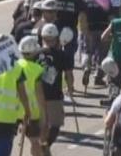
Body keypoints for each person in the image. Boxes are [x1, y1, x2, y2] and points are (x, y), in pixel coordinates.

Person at [36, 24, 74, 155]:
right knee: (56, 124)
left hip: (37, 95)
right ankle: (46, 144)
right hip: (54, 96)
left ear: (42, 38)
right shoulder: (62, 55)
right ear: (57, 38)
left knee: (42, 124)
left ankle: (40, 145)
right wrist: (70, 88)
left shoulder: (36, 54)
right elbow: (69, 74)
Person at [17, 37, 46, 156]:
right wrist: (44, 114)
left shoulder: (15, 66)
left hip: (14, 110)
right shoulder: (37, 69)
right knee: (35, 142)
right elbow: (39, 94)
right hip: (33, 111)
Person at [79, 0, 111, 87]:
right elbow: (115, 8)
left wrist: (83, 28)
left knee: (87, 51)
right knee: (103, 54)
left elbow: (81, 11)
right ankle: (98, 76)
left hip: (89, 26)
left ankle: (87, 68)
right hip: (104, 26)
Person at [55, 0, 85, 68]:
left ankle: (58, 62)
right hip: (71, 27)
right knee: (71, 49)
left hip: (59, 27)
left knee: (57, 47)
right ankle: (69, 65)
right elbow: (83, 11)